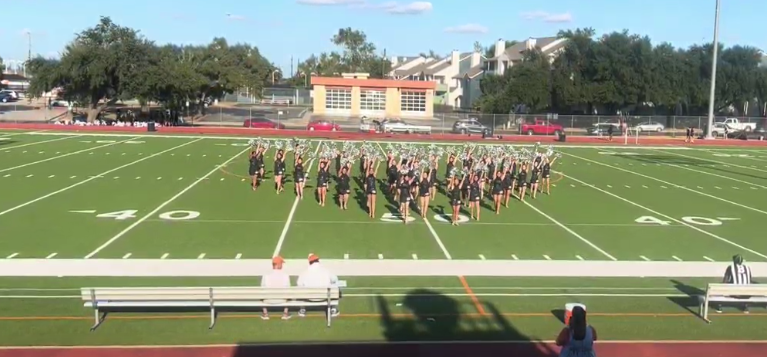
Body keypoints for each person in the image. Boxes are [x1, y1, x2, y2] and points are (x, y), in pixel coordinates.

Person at [260, 256, 292, 320]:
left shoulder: (266, 276)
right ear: (279, 265)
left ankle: (265, 313)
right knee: (289, 294)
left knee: (261, 295)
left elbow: (262, 289)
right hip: (282, 300)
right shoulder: (285, 275)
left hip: (268, 300)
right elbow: (288, 290)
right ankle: (285, 313)